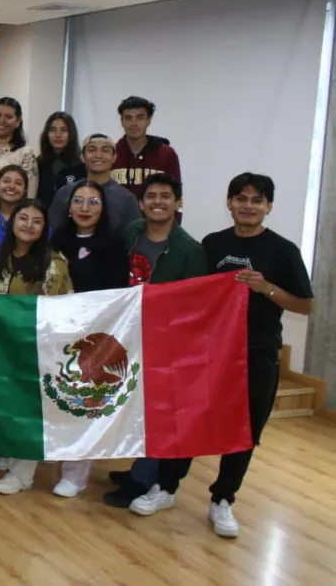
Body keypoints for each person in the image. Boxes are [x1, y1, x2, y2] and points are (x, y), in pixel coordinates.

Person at [130, 173, 312, 538]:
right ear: (228, 203)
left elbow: (305, 305)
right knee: (190, 417)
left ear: (268, 207)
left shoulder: (284, 250)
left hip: (257, 353)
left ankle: (223, 499)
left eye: (256, 200)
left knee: (245, 429)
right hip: (208, 352)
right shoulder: (212, 244)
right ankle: (165, 488)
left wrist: (267, 288)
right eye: (240, 198)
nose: (248, 206)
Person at [103, 172, 205, 507]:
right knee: (135, 404)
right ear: (142, 202)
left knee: (158, 410)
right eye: (151, 196)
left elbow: (194, 303)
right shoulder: (132, 233)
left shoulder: (190, 250)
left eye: (165, 196)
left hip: (165, 341)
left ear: (178, 203)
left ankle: (143, 479)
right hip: (128, 332)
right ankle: (139, 467)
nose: (157, 202)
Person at [46, 179, 129, 498]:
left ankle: (76, 472)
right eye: (78, 201)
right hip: (58, 332)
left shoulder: (113, 244)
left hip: (95, 334)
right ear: (68, 207)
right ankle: (54, 455)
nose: (84, 208)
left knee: (85, 402)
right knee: (58, 395)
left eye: (93, 202)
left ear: (104, 208)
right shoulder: (57, 241)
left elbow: (117, 293)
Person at [0, 200, 75, 495]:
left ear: (44, 228)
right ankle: (11, 459)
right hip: (4, 346)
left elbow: (55, 308)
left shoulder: (54, 261)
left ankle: (22, 475)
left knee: (31, 410)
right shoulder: (3, 256)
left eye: (36, 221)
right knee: (11, 405)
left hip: (38, 347)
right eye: (22, 218)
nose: (28, 225)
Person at [49, 135, 141, 235]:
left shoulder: (126, 199)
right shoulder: (65, 193)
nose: (98, 155)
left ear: (114, 157)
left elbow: (134, 239)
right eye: (92, 150)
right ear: (82, 157)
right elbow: (51, 232)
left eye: (105, 150)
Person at [113, 96, 182, 205]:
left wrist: (174, 222)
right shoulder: (111, 154)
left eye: (139, 117)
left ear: (148, 121)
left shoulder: (166, 154)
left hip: (155, 221)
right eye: (128, 118)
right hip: (117, 221)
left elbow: (176, 196)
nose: (134, 124)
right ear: (122, 121)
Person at [36, 112, 84, 210]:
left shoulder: (81, 166)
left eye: (63, 130)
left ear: (71, 134)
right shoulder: (37, 164)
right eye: (53, 130)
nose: (58, 135)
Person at [0, 164, 29, 246]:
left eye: (18, 183)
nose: (11, 186)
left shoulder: (32, 218)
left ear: (24, 191)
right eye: (6, 181)